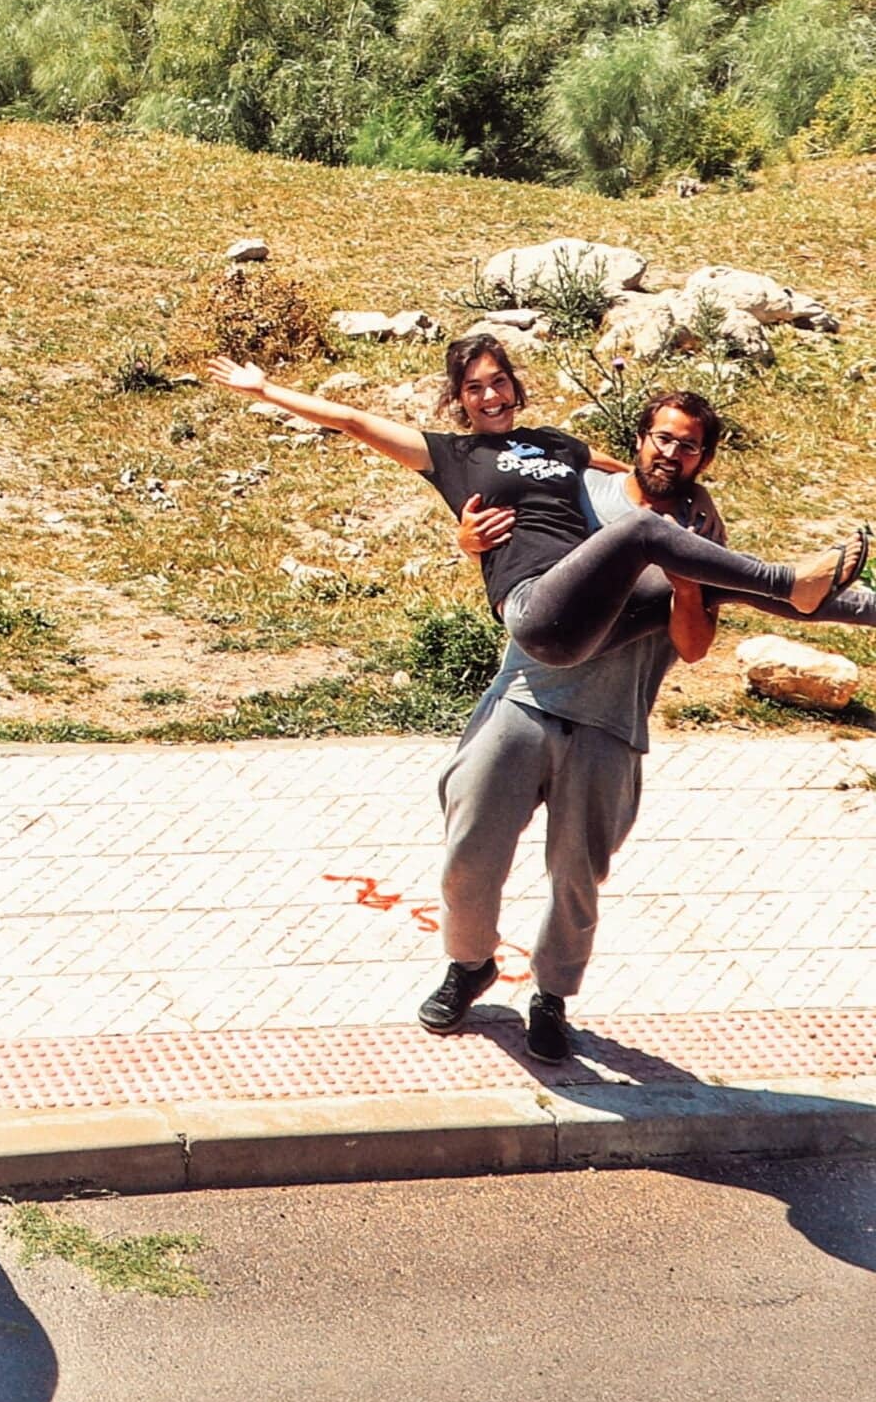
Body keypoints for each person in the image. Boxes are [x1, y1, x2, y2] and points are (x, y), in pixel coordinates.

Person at [432, 389, 876, 1060]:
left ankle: (550, 997)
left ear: (705, 456)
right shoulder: (585, 489)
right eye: (662, 437)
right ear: (639, 438)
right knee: (469, 854)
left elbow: (694, 647)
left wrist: (691, 580)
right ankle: (469, 965)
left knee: (575, 881)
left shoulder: (702, 529)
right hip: (526, 696)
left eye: (688, 444)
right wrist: (466, 542)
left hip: (610, 720)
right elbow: (509, 533)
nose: (671, 452)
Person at [206, 333, 865, 671]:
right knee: (642, 533)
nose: (489, 396)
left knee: (711, 586)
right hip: (538, 612)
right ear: (459, 399)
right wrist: (267, 389)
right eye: (473, 387)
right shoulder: (452, 455)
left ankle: (856, 607)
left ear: (515, 387)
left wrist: (684, 477)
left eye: (498, 382)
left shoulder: (559, 443)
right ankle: (787, 578)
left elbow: (627, 464)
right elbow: (352, 419)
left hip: (598, 615)